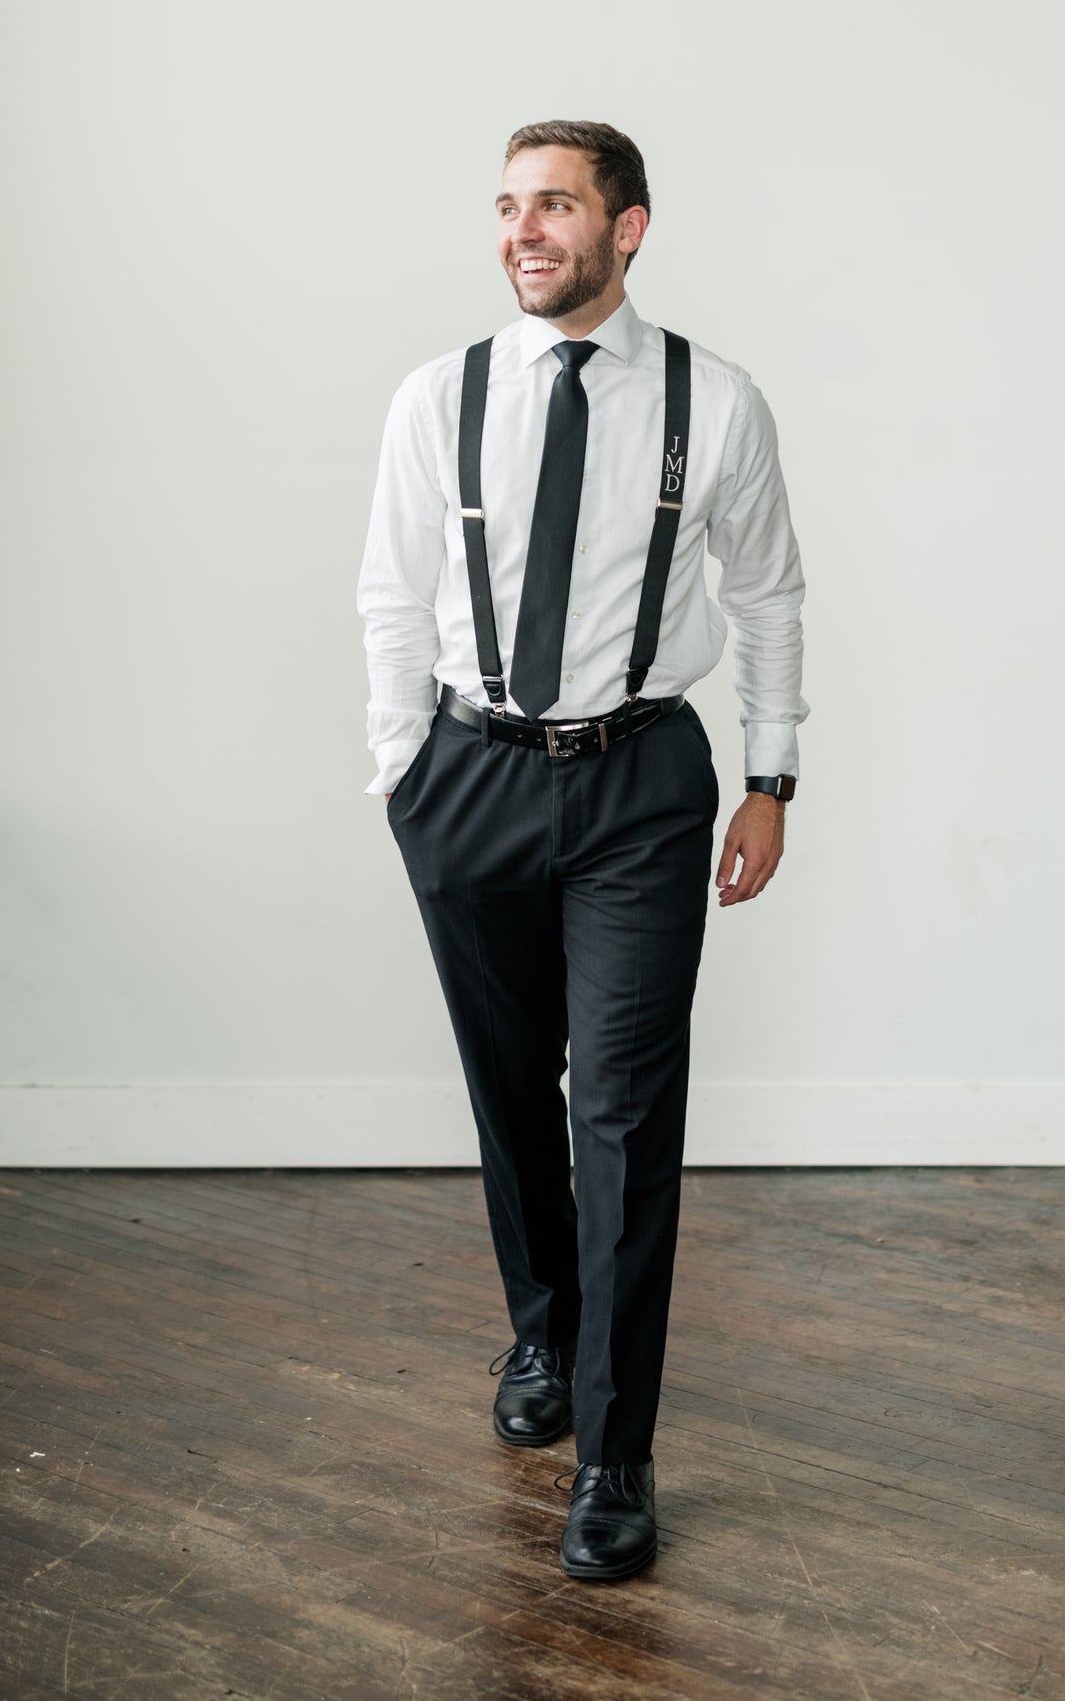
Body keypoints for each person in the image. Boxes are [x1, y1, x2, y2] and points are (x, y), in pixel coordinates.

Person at [357, 119, 807, 1582]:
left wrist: (771, 777)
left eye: (555, 204)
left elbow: (772, 595)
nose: (524, 231)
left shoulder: (714, 401)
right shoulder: (443, 395)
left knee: (622, 1113)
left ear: (630, 227)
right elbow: (390, 591)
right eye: (508, 206)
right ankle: (541, 1333)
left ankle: (616, 1454)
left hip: (641, 789)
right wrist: (400, 774)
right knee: (508, 1091)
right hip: (468, 776)